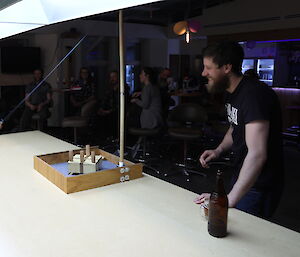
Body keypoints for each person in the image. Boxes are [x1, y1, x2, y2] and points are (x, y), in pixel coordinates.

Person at [194, 41, 284, 219]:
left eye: (208, 68)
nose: (204, 73)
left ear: (227, 67)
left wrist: (228, 199)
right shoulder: (232, 91)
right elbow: (235, 127)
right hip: (244, 175)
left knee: (242, 240)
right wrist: (218, 150)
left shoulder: (253, 95)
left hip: (260, 184)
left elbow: (257, 154)